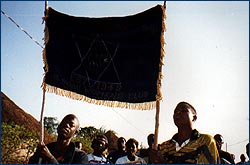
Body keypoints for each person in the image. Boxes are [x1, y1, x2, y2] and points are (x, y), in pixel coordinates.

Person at [149, 101, 220, 164]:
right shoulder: (164, 147)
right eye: (175, 112)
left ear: (194, 117)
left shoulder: (205, 141)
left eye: (183, 110)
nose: (178, 113)